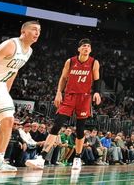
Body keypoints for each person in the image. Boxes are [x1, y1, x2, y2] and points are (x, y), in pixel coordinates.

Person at [37, 38, 102, 171]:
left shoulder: (94, 62)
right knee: (57, 125)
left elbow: (97, 79)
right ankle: (41, 157)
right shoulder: (70, 61)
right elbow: (63, 78)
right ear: (79, 49)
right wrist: (58, 92)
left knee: (79, 129)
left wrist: (97, 92)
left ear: (90, 50)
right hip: (69, 96)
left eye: (89, 46)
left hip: (84, 98)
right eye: (84, 46)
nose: (86, 48)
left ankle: (77, 158)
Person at [0, 20, 41, 172]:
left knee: (8, 121)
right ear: (23, 31)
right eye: (34, 29)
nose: (37, 32)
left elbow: (14, 71)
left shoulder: (28, 51)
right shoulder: (11, 45)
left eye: (39, 30)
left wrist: (6, 92)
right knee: (7, 121)